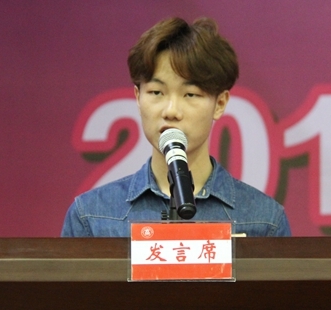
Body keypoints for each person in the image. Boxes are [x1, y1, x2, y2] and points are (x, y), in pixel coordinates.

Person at [61, 17, 291, 237]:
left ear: (220, 104)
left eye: (190, 94)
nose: (171, 111)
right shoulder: (91, 216)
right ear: (138, 97)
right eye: (156, 92)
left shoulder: (265, 220)